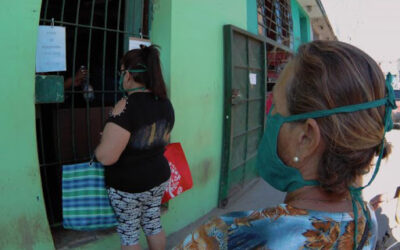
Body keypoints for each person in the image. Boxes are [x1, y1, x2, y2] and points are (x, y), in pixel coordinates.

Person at [174, 40, 397, 250]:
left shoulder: (224, 237)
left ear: (306, 138)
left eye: (276, 108)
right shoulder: (363, 218)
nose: (268, 118)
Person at [94, 45, 174, 250]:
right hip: (158, 177)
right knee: (153, 222)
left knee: (130, 233)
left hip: (129, 184)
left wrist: (107, 135)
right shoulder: (165, 102)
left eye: (121, 72)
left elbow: (105, 157)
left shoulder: (126, 106)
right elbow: (162, 138)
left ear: (128, 75)